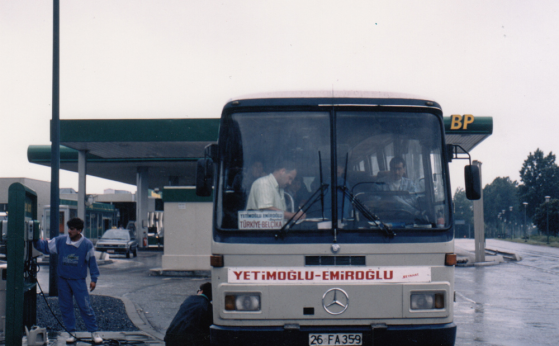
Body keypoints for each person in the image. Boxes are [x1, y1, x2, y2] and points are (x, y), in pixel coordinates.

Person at [33, 218, 102, 344]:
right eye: (68, 228)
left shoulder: (87, 244)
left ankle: (94, 332)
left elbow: (92, 262)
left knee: (85, 306)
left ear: (79, 230)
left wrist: (94, 279)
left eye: (72, 229)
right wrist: (34, 238)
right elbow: (46, 246)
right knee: (66, 307)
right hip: (63, 280)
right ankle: (71, 332)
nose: (69, 231)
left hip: (79, 281)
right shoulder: (60, 241)